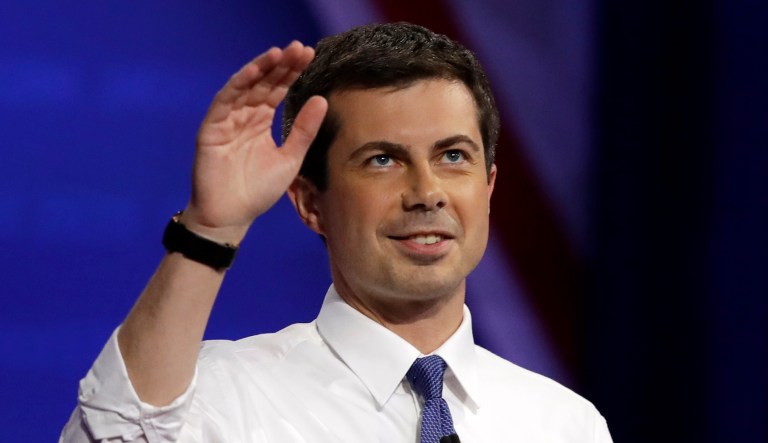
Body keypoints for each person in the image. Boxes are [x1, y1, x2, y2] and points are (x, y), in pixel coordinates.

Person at [60, 22, 612, 442]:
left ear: (488, 186)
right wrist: (212, 227)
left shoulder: (563, 422)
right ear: (309, 202)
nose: (426, 191)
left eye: (452, 155)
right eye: (381, 160)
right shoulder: (219, 397)